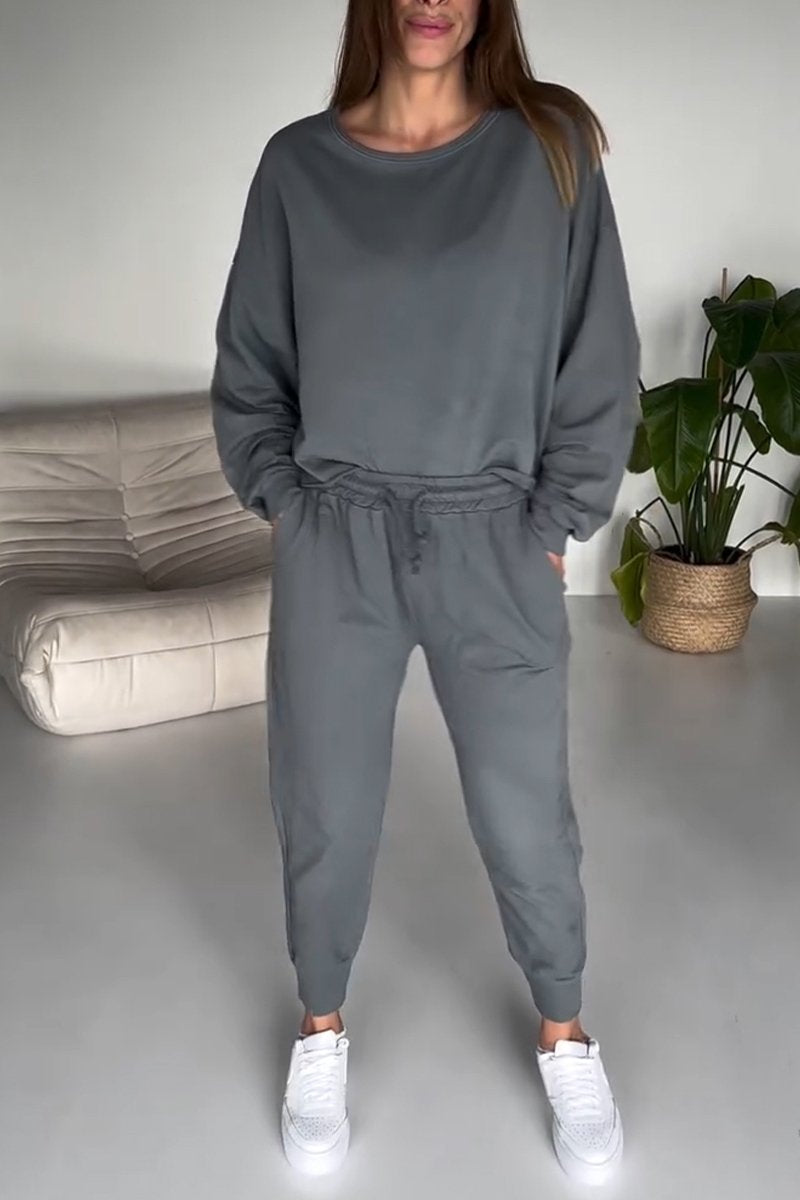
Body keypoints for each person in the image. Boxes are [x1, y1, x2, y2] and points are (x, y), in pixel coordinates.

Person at [210, 0, 640, 1185]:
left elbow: (596, 350)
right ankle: (320, 1027)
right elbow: (250, 361)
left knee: (523, 810)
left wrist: (552, 518)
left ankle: (563, 1031)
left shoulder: (547, 148)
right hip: (334, 534)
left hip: (488, 534)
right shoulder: (298, 166)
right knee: (324, 802)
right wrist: (286, 502)